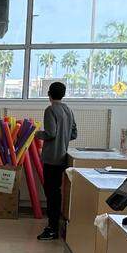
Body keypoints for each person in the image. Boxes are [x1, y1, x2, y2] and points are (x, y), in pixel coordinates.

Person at [36, 81, 77, 241]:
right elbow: (74, 134)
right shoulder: (68, 110)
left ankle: (52, 228)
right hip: (62, 157)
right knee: (57, 192)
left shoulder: (50, 110)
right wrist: (63, 138)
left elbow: (51, 133)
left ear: (49, 94)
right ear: (63, 94)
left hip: (51, 158)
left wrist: (37, 134)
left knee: (51, 193)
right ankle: (55, 225)